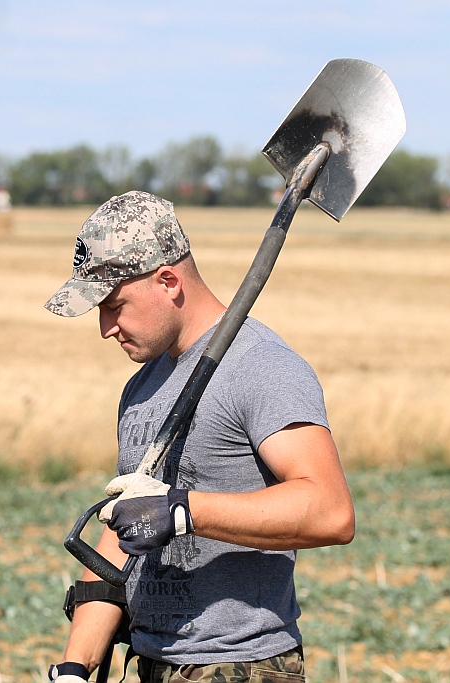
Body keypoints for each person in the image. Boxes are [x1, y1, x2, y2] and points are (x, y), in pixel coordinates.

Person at [44, 191, 355, 683]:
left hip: (239, 667)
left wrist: (186, 512)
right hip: (150, 661)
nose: (106, 328)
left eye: (114, 306)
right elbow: (125, 526)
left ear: (168, 281)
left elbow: (331, 512)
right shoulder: (141, 388)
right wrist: (75, 666)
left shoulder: (260, 367)